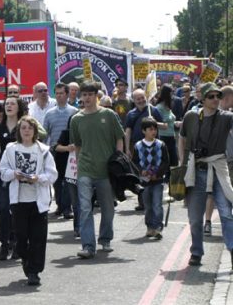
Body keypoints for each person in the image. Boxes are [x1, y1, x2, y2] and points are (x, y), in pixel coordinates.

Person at [179, 83, 233, 268]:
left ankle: (232, 250)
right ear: (202, 99)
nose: (216, 99)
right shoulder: (191, 116)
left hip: (218, 169)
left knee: (226, 214)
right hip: (197, 171)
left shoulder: (227, 117)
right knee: (195, 218)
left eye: (218, 96)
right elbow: (182, 138)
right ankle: (196, 252)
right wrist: (181, 164)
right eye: (211, 96)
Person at [0, 116, 58, 286]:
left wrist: (37, 178)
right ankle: (26, 259)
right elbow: (3, 171)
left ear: (35, 131)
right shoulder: (11, 149)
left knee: (38, 237)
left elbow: (52, 175)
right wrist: (14, 175)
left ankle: (34, 271)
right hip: (18, 201)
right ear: (19, 131)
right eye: (23, 128)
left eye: (29, 128)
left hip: (38, 201)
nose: (26, 131)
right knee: (22, 237)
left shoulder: (44, 150)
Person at [71, 81, 125, 259]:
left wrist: (118, 159)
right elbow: (77, 145)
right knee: (85, 208)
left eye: (90, 94)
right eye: (83, 95)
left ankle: (105, 238)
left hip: (106, 171)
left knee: (108, 208)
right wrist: (78, 166)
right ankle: (88, 246)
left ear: (96, 96)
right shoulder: (76, 119)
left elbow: (119, 137)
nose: (86, 98)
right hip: (85, 169)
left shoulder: (109, 114)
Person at [0, 96, 27, 260]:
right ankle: (5, 244)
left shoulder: (25, 125)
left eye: (12, 104)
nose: (9, 106)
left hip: (22, 172)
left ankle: (18, 243)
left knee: (18, 210)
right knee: (3, 208)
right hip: (5, 173)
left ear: (19, 107)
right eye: (7, 104)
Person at [42, 82, 78, 218]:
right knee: (57, 181)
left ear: (67, 94)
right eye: (56, 93)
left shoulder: (74, 112)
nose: (59, 96)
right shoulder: (49, 114)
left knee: (69, 180)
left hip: (71, 151)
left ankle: (67, 208)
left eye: (61, 93)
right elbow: (45, 133)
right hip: (55, 152)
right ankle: (60, 205)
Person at [132, 117, 169, 240]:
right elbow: (134, 163)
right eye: (150, 129)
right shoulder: (137, 146)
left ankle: (158, 227)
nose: (154, 132)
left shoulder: (161, 144)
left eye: (155, 129)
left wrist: (157, 173)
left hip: (158, 180)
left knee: (157, 204)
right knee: (148, 206)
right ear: (143, 131)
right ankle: (150, 227)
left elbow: (165, 162)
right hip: (144, 181)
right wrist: (141, 171)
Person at [154, 84, 178, 168]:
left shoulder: (168, 106)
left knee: (174, 162)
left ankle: (172, 180)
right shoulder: (158, 108)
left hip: (172, 137)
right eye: (171, 93)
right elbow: (156, 123)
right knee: (165, 162)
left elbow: (170, 121)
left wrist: (177, 123)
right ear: (166, 94)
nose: (172, 95)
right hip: (163, 137)